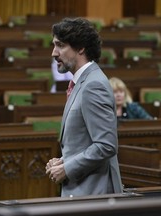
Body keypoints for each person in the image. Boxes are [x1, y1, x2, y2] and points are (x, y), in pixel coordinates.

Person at [45, 17, 123, 197]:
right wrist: (64, 161)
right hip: (84, 192)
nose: (54, 53)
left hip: (94, 194)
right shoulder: (83, 82)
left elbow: (106, 145)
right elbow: (85, 141)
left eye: (60, 45)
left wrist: (68, 168)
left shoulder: (93, 85)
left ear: (80, 48)